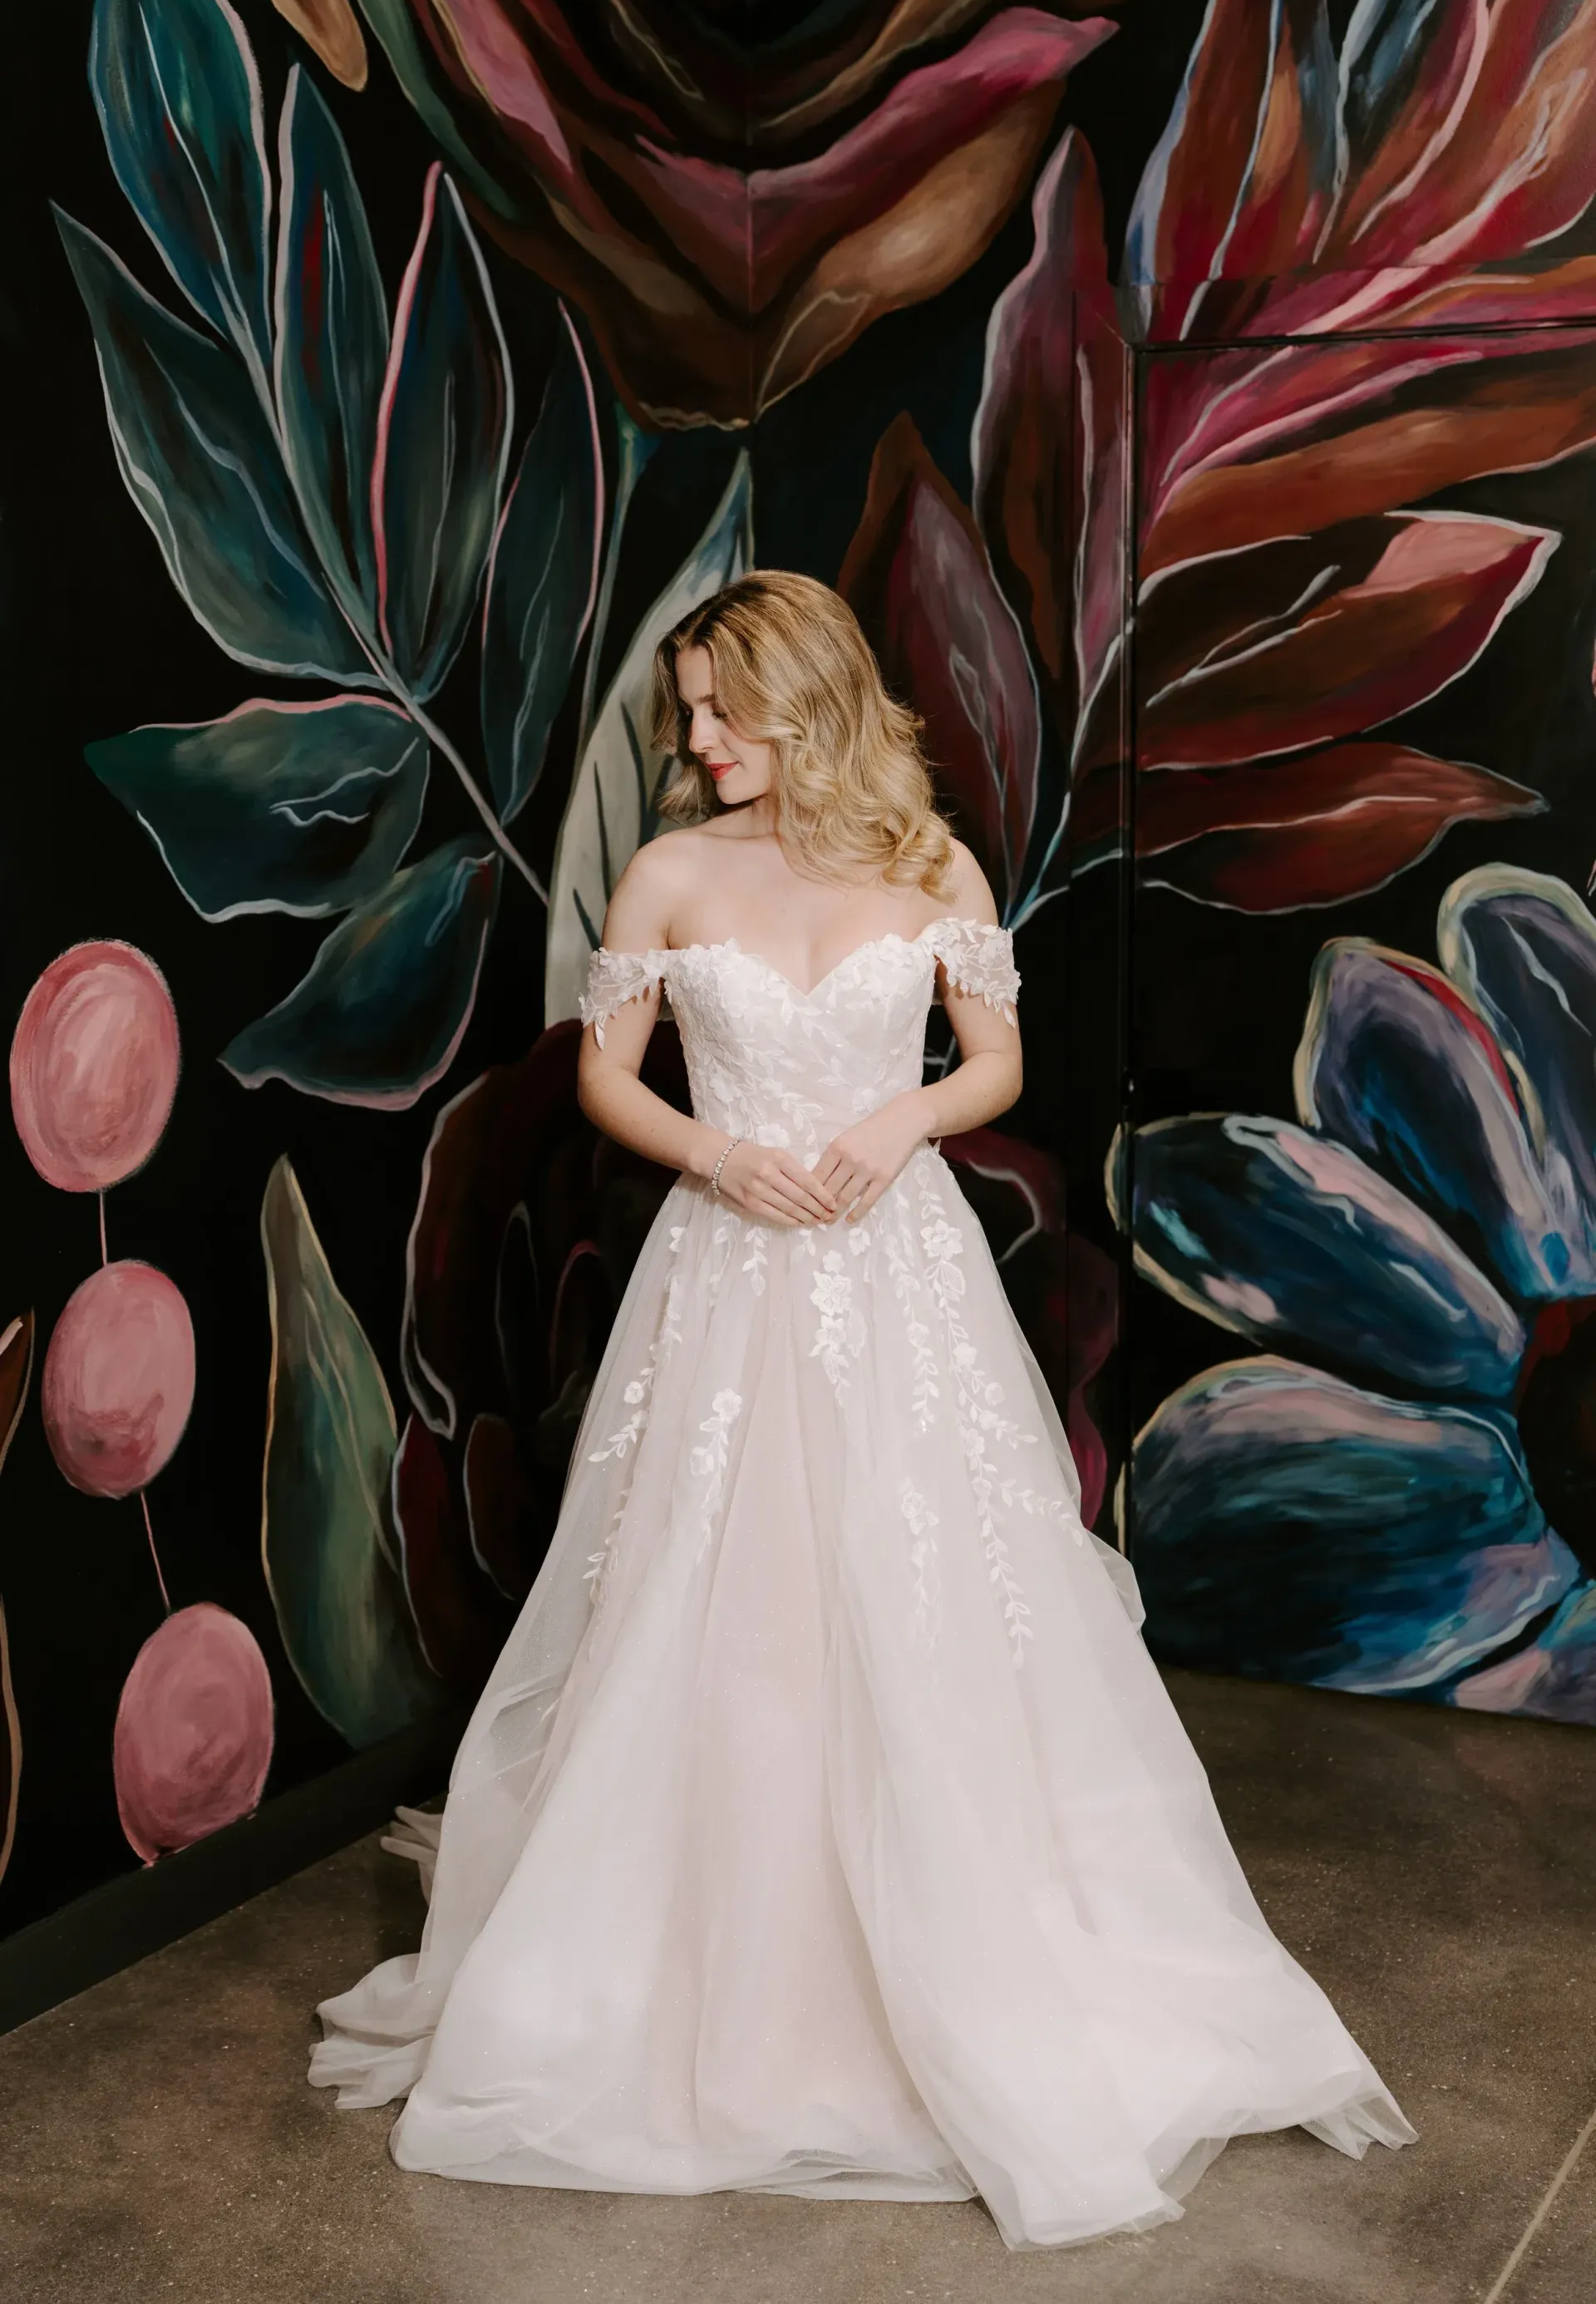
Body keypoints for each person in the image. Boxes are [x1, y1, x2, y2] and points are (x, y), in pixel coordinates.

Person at [309, 570, 1416, 2249]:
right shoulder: (671, 870)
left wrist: (899, 1129)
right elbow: (609, 1076)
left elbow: (995, 1064)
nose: (693, 741)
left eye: (719, 710)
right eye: (685, 709)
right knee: (719, 1596)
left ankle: (957, 1952)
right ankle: (720, 1968)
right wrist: (719, 1152)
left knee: (928, 1589)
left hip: (895, 1273)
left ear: (807, 699)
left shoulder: (930, 865)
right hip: (726, 1268)